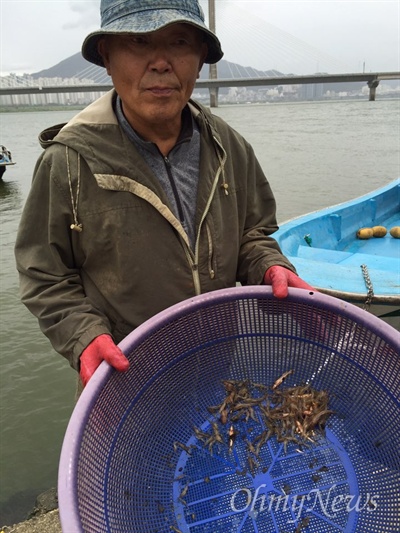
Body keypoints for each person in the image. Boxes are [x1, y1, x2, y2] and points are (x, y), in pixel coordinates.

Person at [14, 0, 313, 388]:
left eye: (179, 41)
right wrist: (83, 335)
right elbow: (43, 273)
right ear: (107, 56)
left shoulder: (229, 147)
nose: (160, 62)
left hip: (217, 365)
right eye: (138, 41)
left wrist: (270, 266)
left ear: (201, 56)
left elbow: (252, 234)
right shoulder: (68, 162)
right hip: (125, 379)